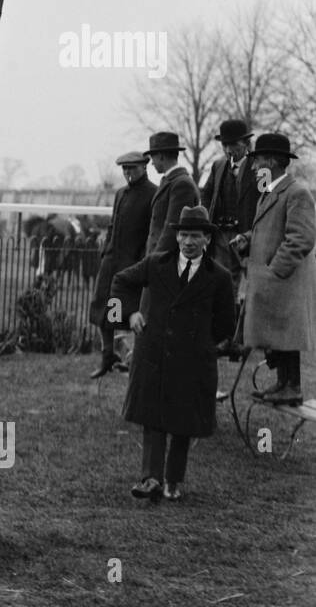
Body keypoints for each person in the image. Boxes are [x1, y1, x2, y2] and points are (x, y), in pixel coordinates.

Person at [111, 206, 235, 502]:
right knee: (153, 417)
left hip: (192, 359)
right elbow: (120, 281)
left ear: (207, 239)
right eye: (184, 235)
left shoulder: (219, 277)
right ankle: (150, 478)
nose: (188, 241)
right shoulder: (156, 263)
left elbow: (226, 323)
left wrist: (204, 343)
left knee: (183, 421)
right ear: (176, 237)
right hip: (154, 353)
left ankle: (174, 481)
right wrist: (128, 315)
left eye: (195, 235)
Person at [232, 133, 316, 405]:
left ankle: (292, 387)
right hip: (272, 281)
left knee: (286, 335)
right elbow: (269, 232)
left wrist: (275, 271)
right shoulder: (269, 193)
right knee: (279, 337)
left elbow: (301, 238)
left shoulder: (297, 193)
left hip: (284, 281)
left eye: (258, 161)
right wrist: (247, 239)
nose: (254, 168)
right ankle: (283, 384)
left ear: (273, 162)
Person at [88, 151, 156, 378]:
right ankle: (108, 355)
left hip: (131, 263)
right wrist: (105, 249)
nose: (128, 173)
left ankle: (132, 359)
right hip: (111, 261)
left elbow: (150, 232)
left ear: (144, 168)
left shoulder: (152, 194)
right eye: (125, 169)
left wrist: (141, 261)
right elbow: (112, 225)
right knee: (103, 308)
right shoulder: (120, 194)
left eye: (133, 168)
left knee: (127, 310)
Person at [199, 119, 260, 353]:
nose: (228, 150)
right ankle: (227, 337)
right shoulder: (218, 166)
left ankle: (247, 339)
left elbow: (267, 200)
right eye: (225, 145)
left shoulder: (259, 168)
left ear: (246, 143)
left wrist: (253, 232)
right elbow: (205, 196)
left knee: (252, 287)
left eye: (233, 145)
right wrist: (205, 223)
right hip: (222, 236)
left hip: (249, 235)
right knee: (225, 286)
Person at [144, 131, 200, 256]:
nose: (152, 163)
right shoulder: (172, 181)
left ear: (161, 156)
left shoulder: (181, 185)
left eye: (153, 157)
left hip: (166, 261)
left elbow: (171, 230)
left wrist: (154, 261)